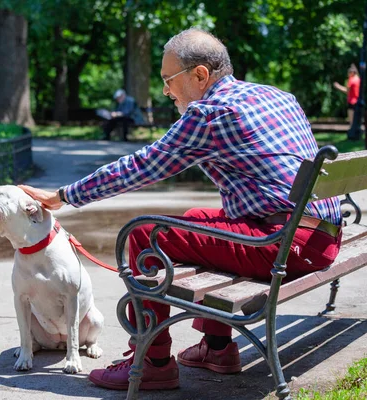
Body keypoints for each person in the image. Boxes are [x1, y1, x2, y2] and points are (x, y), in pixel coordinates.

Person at [19, 27, 342, 391]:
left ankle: (152, 361)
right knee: (193, 222)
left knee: (145, 233)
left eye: (168, 79)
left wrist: (62, 196)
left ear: (200, 75)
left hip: (285, 244)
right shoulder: (276, 96)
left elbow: (140, 167)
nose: (165, 90)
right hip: (320, 237)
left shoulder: (208, 112)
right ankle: (218, 349)